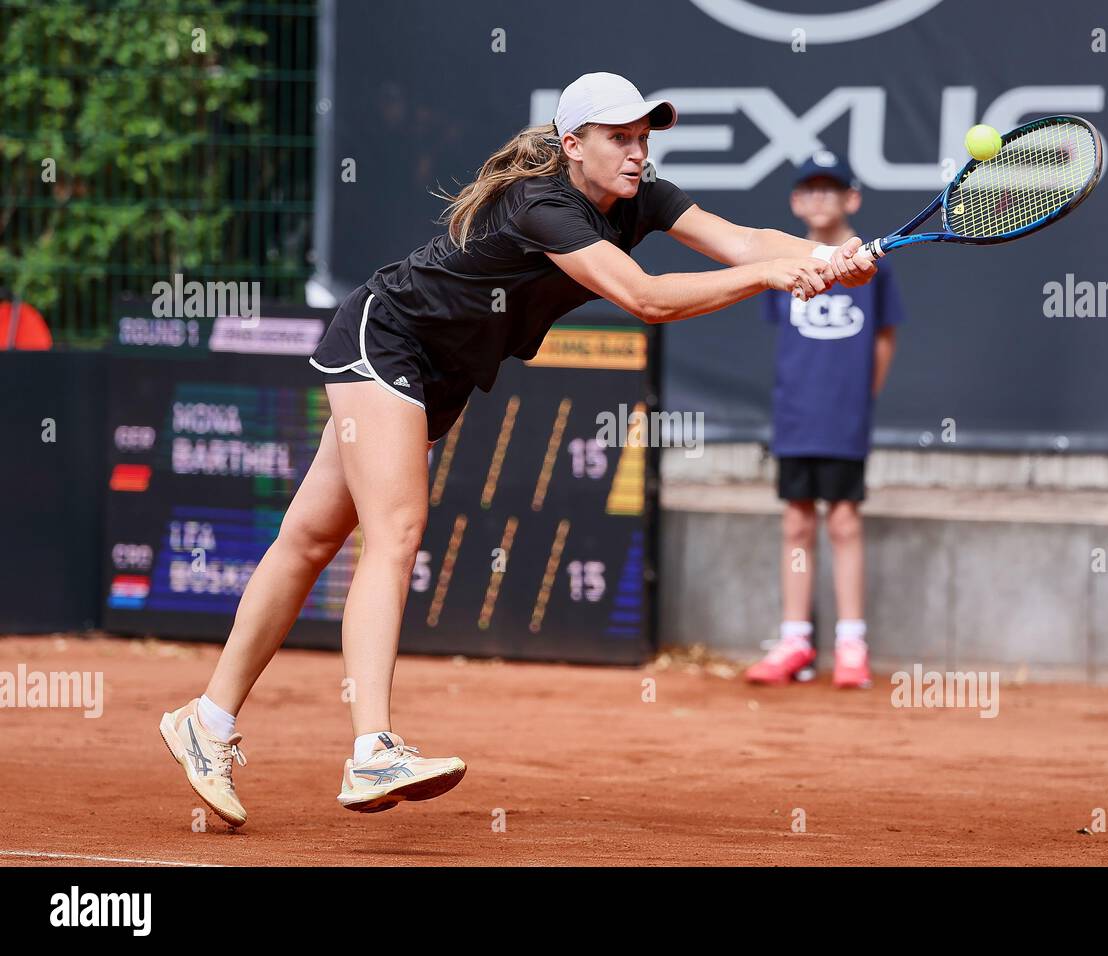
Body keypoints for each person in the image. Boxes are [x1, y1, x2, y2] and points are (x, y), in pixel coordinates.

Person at [159, 73, 879, 827]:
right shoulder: (543, 205)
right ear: (573, 146)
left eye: (643, 139)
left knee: (308, 540)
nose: (637, 155)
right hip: (387, 338)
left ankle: (204, 724)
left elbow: (747, 240)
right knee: (397, 531)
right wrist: (770, 276)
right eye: (619, 139)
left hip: (440, 375)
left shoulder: (646, 196)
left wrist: (831, 255)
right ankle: (372, 745)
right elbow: (647, 298)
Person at [744, 151, 904, 690]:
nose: (818, 199)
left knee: (843, 521)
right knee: (796, 522)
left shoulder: (870, 268)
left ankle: (852, 644)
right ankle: (794, 641)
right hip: (794, 415)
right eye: (808, 190)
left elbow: (884, 337)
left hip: (844, 417)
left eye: (829, 190)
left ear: (851, 199)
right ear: (794, 202)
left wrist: (859, 399)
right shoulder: (792, 266)